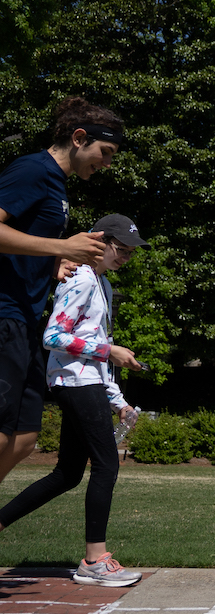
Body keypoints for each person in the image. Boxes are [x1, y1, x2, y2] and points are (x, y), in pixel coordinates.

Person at [0, 215, 148, 586]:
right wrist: (110, 350)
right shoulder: (81, 278)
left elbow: (95, 346)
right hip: (73, 382)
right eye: (122, 249)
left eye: (132, 252)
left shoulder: (102, 283)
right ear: (100, 243)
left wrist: (119, 400)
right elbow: (53, 337)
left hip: (85, 382)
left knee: (67, 474)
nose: (127, 256)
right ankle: (94, 560)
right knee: (106, 465)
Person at [0, 98, 124, 490]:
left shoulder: (58, 185)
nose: (106, 164)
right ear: (78, 138)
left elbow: (22, 241)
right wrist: (62, 249)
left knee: (22, 439)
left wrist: (51, 265)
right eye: (104, 153)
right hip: (4, 314)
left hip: (25, 318)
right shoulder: (33, 170)